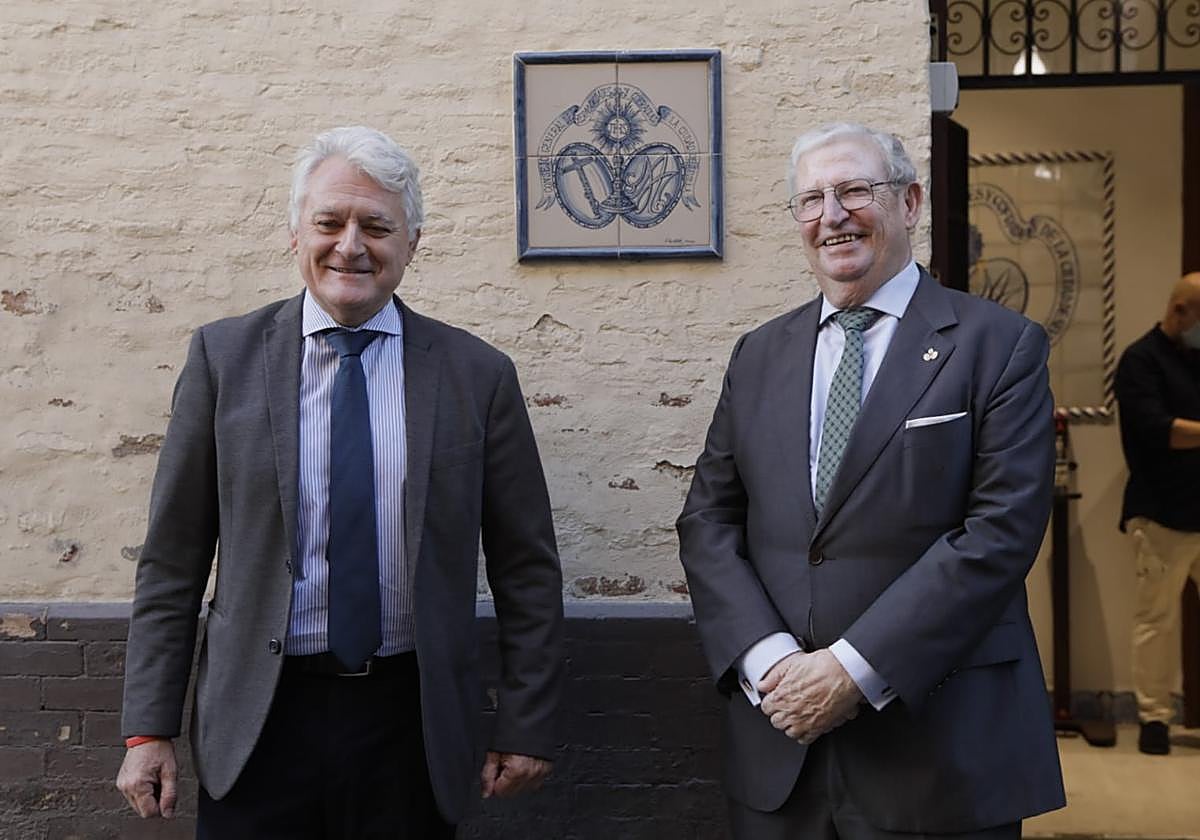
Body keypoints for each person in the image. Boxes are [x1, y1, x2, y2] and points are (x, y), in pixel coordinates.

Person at [115, 126, 564, 838]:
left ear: (412, 242)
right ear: (296, 234)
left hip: (411, 721)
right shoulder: (223, 360)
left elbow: (527, 570)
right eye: (329, 222)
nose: (350, 245)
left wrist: (527, 721)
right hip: (258, 721)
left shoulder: (476, 377)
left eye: (377, 226)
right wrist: (148, 729)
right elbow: (172, 561)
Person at [677, 122, 1064, 839]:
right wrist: (773, 664)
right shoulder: (759, 354)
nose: (832, 215)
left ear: (911, 202)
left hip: (939, 755)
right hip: (780, 745)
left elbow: (1000, 533)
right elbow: (707, 521)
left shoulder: (998, 346)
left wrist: (853, 671)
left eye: (855, 190)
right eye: (811, 199)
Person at [1114, 271, 1200, 756]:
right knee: (1157, 622)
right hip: (1160, 517)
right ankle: (1153, 719)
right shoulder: (1140, 361)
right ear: (1180, 310)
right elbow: (1158, 431)